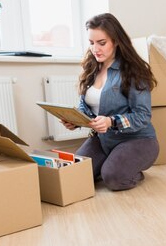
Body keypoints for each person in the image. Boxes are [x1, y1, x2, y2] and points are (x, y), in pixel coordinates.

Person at [61, 13, 159, 191]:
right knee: (75, 175)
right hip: (104, 140)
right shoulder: (91, 68)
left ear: (116, 41)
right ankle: (112, 161)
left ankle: (130, 170)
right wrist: (75, 121)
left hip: (138, 140)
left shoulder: (133, 71)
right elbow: (86, 106)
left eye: (102, 43)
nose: (95, 49)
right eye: (91, 43)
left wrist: (111, 121)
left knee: (113, 178)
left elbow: (143, 115)